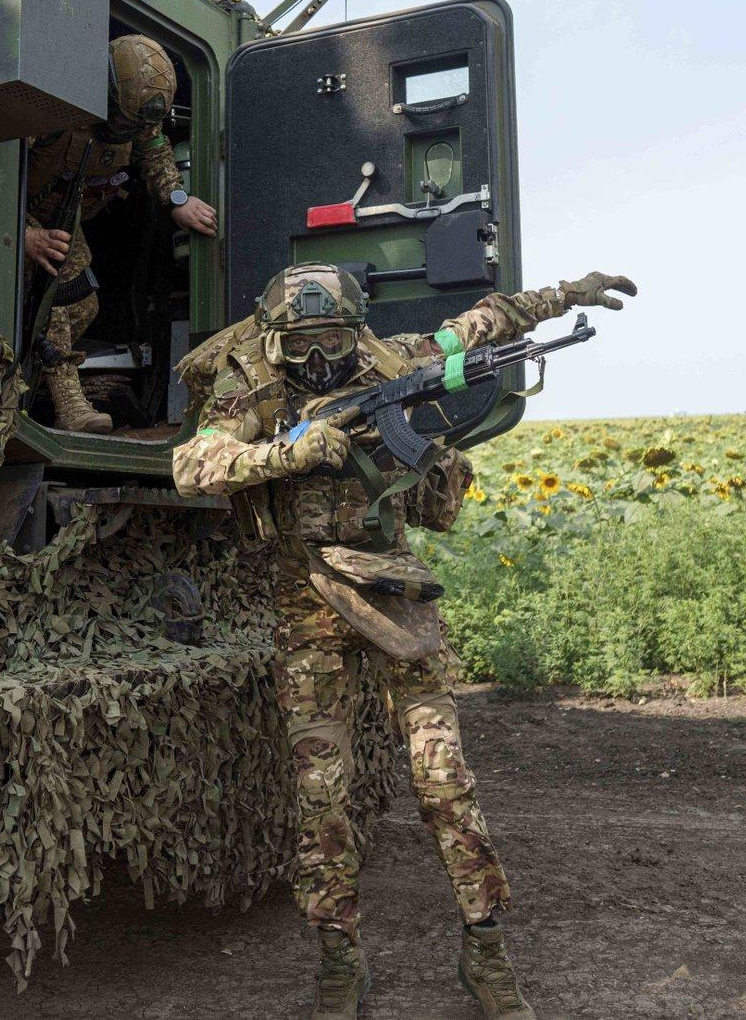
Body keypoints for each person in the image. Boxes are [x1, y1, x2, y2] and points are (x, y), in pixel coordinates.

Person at [173, 264, 633, 1020]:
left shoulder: (390, 361)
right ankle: (338, 961)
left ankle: (485, 947)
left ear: (356, 333)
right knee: (323, 795)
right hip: (308, 600)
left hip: (394, 592)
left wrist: (561, 297)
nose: (320, 362)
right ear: (276, 340)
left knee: (444, 777)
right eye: (303, 347)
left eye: (333, 344)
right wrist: (286, 453)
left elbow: (479, 324)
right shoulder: (251, 382)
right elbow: (192, 463)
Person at [24, 34, 218, 432]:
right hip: (14, 211)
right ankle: (69, 404)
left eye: (136, 125)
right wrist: (22, 236)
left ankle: (21, 374)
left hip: (63, 216)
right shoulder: (54, 105)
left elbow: (156, 151)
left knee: (83, 305)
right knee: (54, 303)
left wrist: (177, 199)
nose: (128, 130)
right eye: (124, 121)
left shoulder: (140, 117)